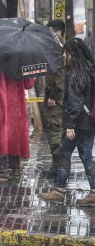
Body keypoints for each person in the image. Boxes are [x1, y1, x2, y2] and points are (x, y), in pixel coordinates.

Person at [38, 38, 95, 206]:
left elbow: (75, 101)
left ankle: (59, 191)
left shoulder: (75, 72)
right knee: (86, 156)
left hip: (77, 124)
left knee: (64, 153)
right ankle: (93, 192)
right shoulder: (90, 70)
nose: (65, 56)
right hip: (90, 122)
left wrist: (70, 125)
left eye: (67, 52)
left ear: (73, 54)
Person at [0, 68, 35, 180]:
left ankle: (2, 170)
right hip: (18, 105)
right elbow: (29, 84)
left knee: (1, 134)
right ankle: (16, 169)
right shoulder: (23, 60)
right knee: (16, 134)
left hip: (1, 103)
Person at [43, 20, 66, 176]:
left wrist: (52, 96)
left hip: (56, 98)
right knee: (55, 128)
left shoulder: (58, 50)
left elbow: (59, 77)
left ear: (58, 33)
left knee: (55, 128)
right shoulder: (57, 48)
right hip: (56, 95)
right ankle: (57, 165)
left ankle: (58, 167)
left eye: (51, 32)